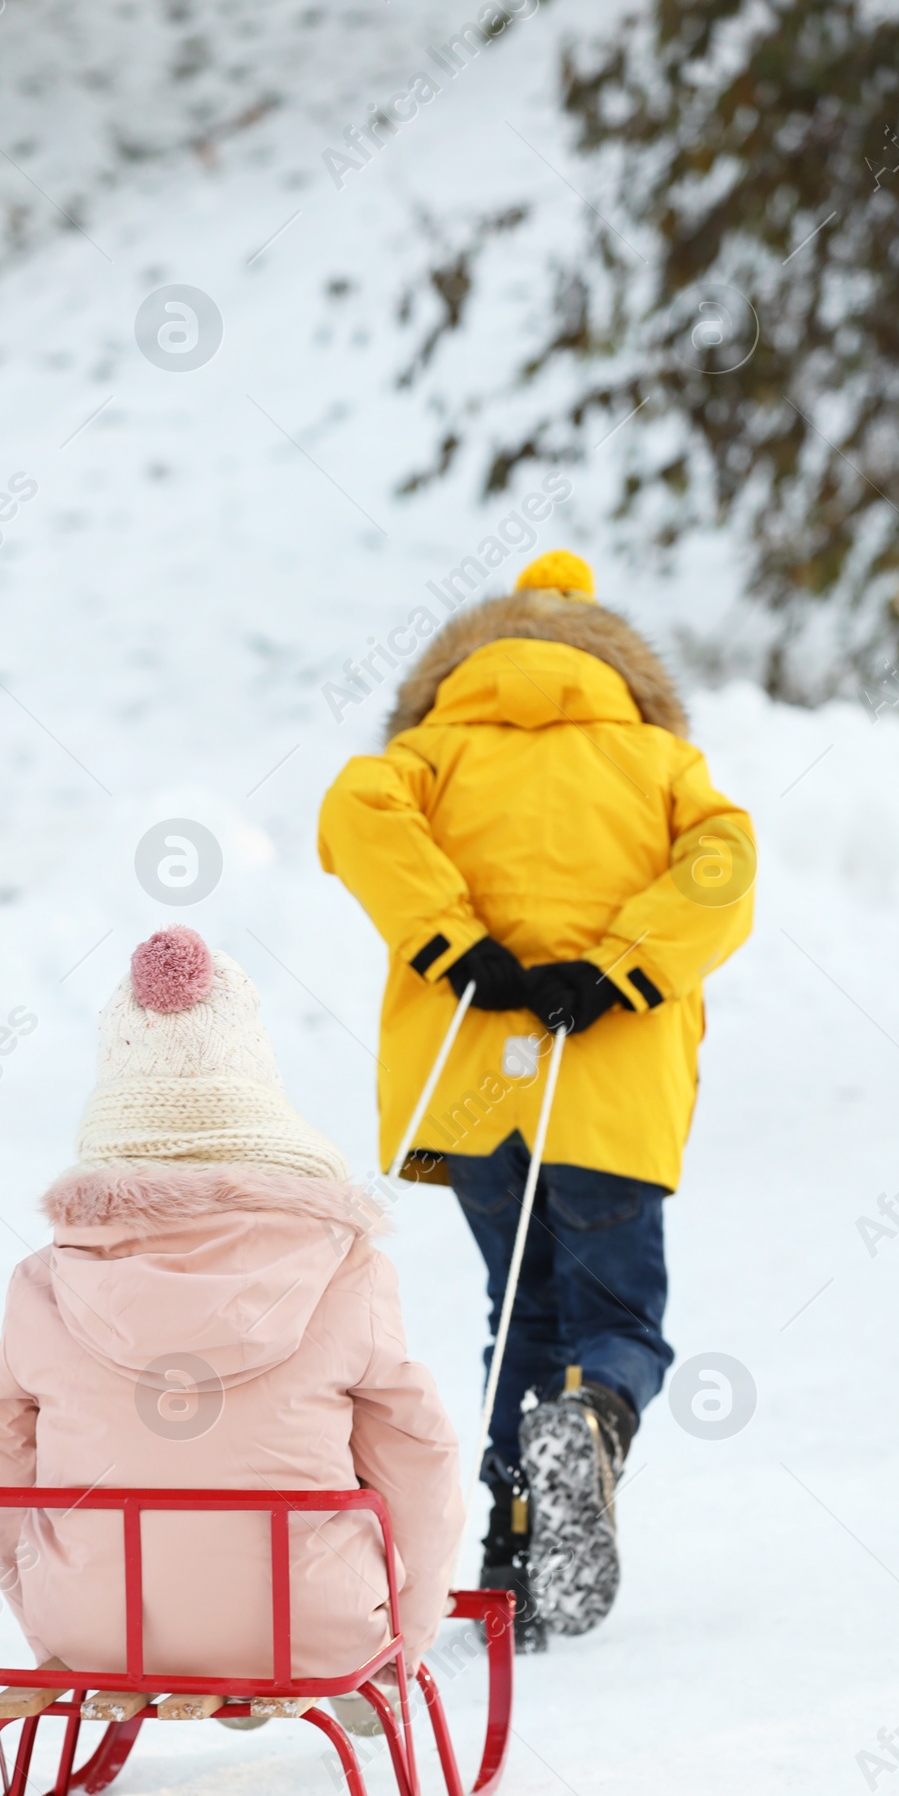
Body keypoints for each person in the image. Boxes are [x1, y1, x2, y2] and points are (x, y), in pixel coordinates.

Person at [317, 548, 755, 1650]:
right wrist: (622, 968)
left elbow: (355, 812)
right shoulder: (657, 761)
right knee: (614, 1323)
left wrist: (452, 946)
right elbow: (724, 862)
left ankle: (511, 1556)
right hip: (605, 1090)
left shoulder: (426, 754)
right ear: (613, 668)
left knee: (516, 1309)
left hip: (477, 1093)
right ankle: (595, 1421)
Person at [0, 927, 461, 1734]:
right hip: (310, 1626)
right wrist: (412, 1622)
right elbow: (416, 1451)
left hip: (95, 1626)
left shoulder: (45, 1282)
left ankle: (124, 1618)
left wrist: (46, 1606)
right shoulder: (344, 1268)